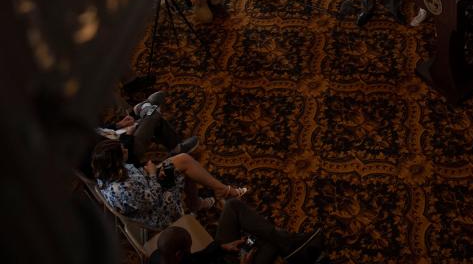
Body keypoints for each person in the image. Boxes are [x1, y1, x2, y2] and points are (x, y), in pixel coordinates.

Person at [92, 139, 246, 231]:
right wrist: (153, 174)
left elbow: (140, 189)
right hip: (158, 213)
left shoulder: (107, 172)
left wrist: (150, 174)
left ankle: (215, 193)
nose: (126, 149)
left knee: (183, 160)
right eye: (122, 150)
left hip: (147, 189)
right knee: (185, 170)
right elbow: (151, 201)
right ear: (117, 161)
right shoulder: (124, 188)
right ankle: (208, 198)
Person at [150, 200, 324, 264]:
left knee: (232, 206)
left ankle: (291, 246)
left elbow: (197, 257)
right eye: (189, 247)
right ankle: (294, 248)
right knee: (268, 238)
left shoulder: (159, 257)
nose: (191, 249)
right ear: (179, 253)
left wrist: (222, 247)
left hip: (220, 256)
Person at [96, 90, 198, 166]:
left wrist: (118, 125)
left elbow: (99, 131)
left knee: (152, 118)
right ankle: (143, 108)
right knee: (153, 115)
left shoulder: (83, 130)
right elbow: (113, 158)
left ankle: (142, 110)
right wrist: (128, 136)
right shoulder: (82, 150)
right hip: (127, 152)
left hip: (118, 136)